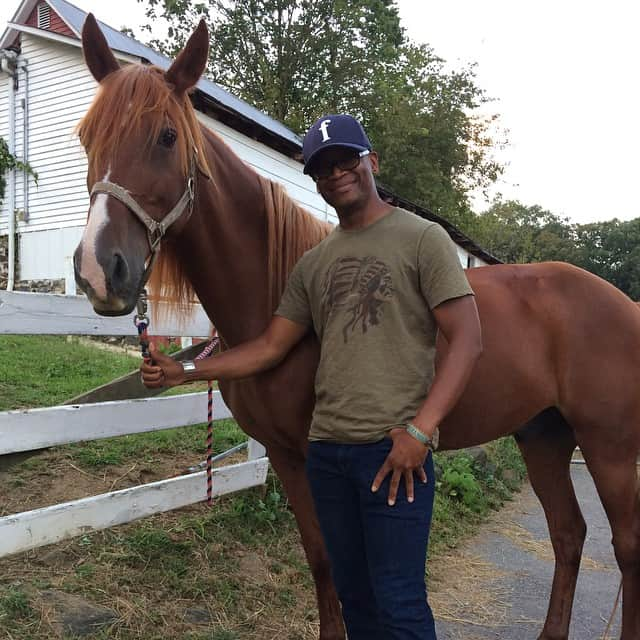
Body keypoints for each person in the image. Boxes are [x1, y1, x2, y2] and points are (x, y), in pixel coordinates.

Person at [141, 114, 483, 639]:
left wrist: (421, 432)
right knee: (357, 599)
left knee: (401, 603)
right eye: (322, 168)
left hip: (391, 453)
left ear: (372, 162)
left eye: (346, 159)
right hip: (327, 456)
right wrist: (183, 370)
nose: (336, 174)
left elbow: (468, 340)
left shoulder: (422, 239)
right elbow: (270, 347)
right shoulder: (314, 263)